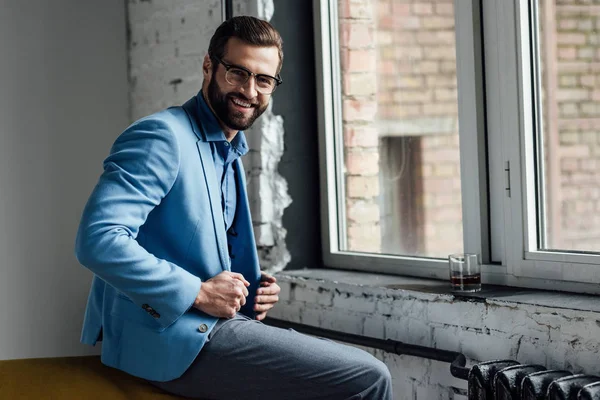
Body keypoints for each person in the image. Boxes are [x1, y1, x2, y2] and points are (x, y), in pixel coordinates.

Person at [75, 16, 393, 400]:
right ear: (209, 66)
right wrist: (197, 292)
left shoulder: (228, 149)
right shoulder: (162, 136)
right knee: (369, 376)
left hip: (211, 326)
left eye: (264, 80)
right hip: (170, 338)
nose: (249, 90)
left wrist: (249, 292)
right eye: (237, 73)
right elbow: (98, 239)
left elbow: (195, 246)